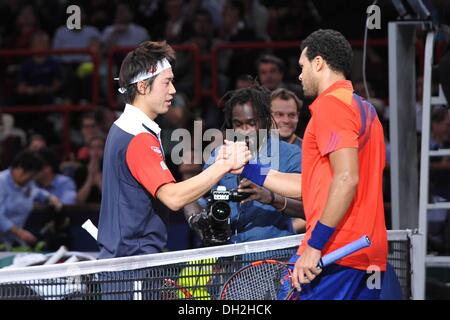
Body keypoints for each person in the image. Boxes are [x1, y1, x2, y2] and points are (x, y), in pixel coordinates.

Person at [238, 29, 389, 300]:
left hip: (335, 253)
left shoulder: (332, 106)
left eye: (302, 66)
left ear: (318, 63)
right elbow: (312, 185)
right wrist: (248, 169)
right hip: (367, 254)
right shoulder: (365, 109)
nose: (299, 75)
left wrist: (315, 245)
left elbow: (346, 179)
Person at [97, 41, 249, 259]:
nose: (173, 90)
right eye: (166, 82)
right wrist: (224, 164)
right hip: (132, 264)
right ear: (142, 86)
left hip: (128, 259)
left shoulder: (125, 127)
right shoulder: (137, 136)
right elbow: (174, 198)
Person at [185, 85, 304, 244]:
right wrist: (201, 226)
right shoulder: (221, 154)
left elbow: (309, 210)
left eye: (251, 123)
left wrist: (271, 198)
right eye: (238, 124)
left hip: (276, 259)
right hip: (229, 259)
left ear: (265, 120)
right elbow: (191, 198)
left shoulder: (291, 154)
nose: (244, 131)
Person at [0, 150, 62, 246]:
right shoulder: (1, 181)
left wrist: (51, 198)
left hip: (12, 242)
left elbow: (38, 193)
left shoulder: (28, 184)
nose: (30, 179)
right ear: (20, 169)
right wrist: (19, 232)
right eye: (30, 175)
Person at [270, 88, 306, 233]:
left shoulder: (310, 151)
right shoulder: (256, 151)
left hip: (297, 234)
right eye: (279, 115)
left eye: (291, 115)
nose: (286, 120)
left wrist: (290, 228)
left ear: (298, 116)